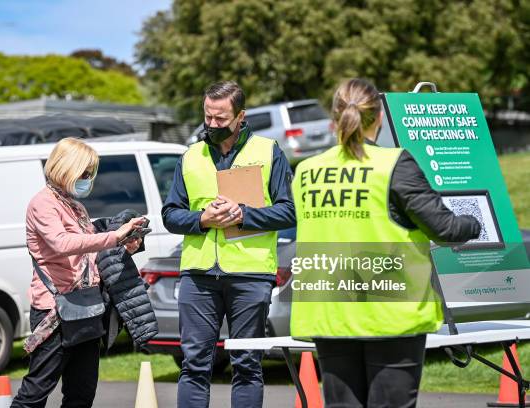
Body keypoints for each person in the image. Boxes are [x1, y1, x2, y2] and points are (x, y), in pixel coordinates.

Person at [290, 78, 481, 408]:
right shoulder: (393, 164)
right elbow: (445, 228)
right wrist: (476, 223)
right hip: (390, 309)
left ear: (333, 120)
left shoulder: (307, 170)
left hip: (330, 309)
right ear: (379, 117)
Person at [162, 80, 296, 408]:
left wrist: (243, 215)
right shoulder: (190, 156)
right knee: (194, 365)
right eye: (208, 117)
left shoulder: (268, 151)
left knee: (247, 364)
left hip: (250, 275)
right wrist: (202, 220)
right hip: (198, 275)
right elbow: (170, 214)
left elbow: (288, 211)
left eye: (221, 119)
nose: (212, 124)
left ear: (240, 116)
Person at [11, 137, 145, 408]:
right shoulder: (43, 203)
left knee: (82, 394)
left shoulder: (75, 207)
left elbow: (89, 257)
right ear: (65, 168)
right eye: (84, 173)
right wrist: (112, 237)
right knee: (36, 392)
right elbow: (62, 244)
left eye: (90, 173)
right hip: (55, 312)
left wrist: (125, 245)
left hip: (86, 308)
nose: (88, 179)